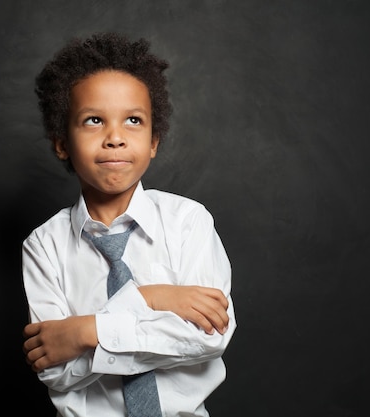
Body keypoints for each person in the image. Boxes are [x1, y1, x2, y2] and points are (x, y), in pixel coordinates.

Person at [22, 32, 236, 417]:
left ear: (154, 140)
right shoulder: (44, 246)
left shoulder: (189, 223)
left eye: (133, 120)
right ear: (61, 143)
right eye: (93, 121)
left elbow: (207, 338)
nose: (115, 138)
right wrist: (152, 304)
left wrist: (88, 331)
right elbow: (53, 369)